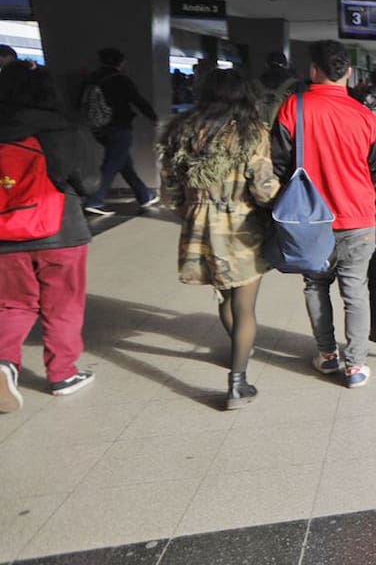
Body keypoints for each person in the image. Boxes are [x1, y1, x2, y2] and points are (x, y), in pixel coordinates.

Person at [271, 40, 376, 389]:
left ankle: (327, 356)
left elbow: (278, 167)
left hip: (308, 222)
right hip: (358, 219)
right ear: (349, 73)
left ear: (313, 71)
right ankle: (355, 366)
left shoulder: (291, 109)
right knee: (355, 290)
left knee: (315, 284)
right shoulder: (365, 117)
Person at [158, 69, 280, 410]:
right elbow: (264, 188)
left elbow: (169, 190)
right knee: (245, 306)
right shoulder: (251, 132)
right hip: (240, 227)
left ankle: (240, 352)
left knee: (225, 297)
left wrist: (193, 210)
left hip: (198, 225)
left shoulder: (181, 130)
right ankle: (237, 383)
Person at [0, 64, 103, 410]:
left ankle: (3, 363)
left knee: (13, 303)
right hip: (61, 230)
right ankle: (62, 374)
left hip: (5, 233)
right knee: (63, 304)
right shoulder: (65, 127)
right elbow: (90, 184)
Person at [83, 47, 160, 217]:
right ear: (121, 62)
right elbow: (137, 100)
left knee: (124, 163)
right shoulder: (120, 80)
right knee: (111, 164)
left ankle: (144, 195)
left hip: (98, 128)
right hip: (119, 126)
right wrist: (153, 118)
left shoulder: (91, 79)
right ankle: (95, 200)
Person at [256, 51, 299, 124]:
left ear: (266, 64)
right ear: (286, 65)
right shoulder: (295, 84)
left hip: (259, 131)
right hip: (284, 130)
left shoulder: (254, 84)